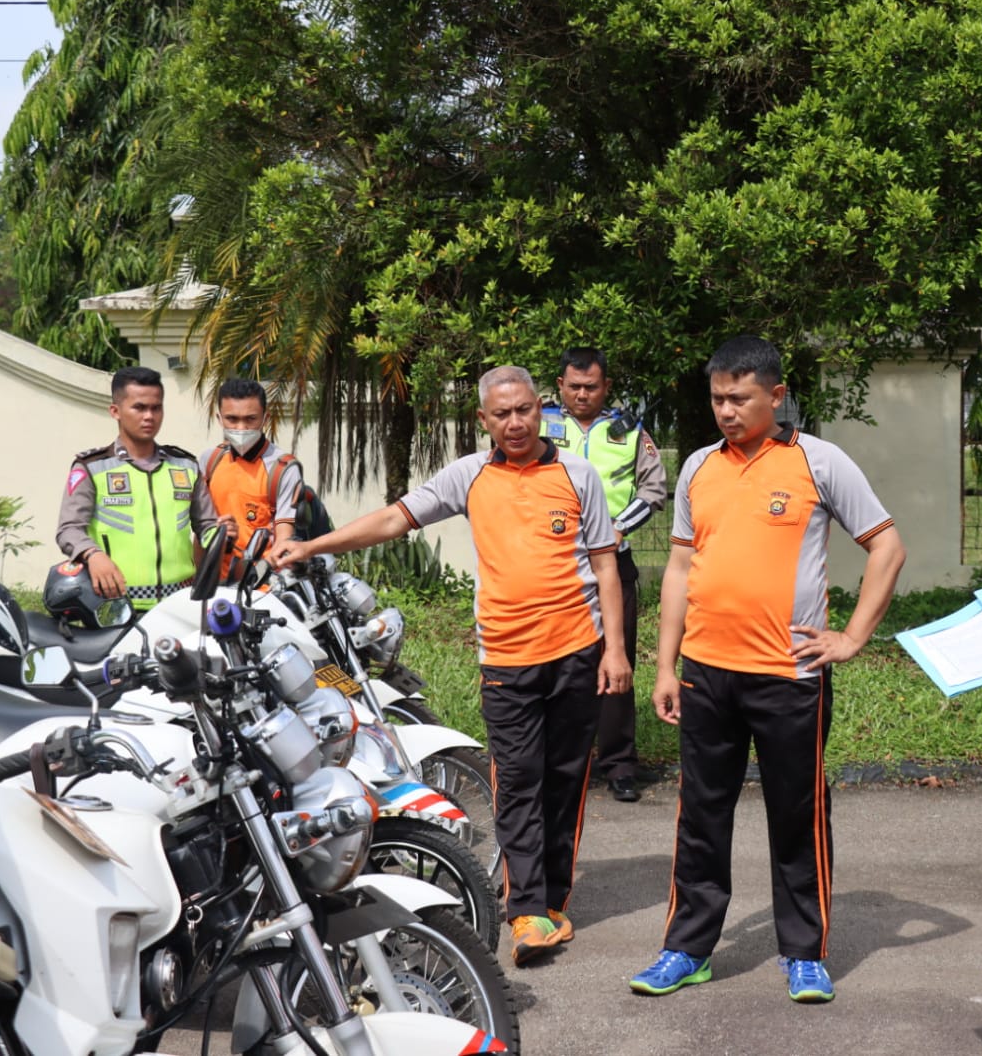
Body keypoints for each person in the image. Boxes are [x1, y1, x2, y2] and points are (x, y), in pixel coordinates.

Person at [270, 365, 632, 966]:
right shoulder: (469, 476)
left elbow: (605, 567)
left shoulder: (578, 474)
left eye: (524, 411)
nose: (514, 423)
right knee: (517, 781)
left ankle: (552, 900)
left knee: (566, 779)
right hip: (507, 659)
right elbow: (393, 518)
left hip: (577, 652)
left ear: (541, 410)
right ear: (483, 419)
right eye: (501, 414)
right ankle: (527, 912)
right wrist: (311, 546)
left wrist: (615, 650)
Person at [630, 335, 905, 1004]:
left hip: (789, 676)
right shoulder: (698, 466)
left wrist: (852, 637)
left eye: (740, 398)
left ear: (775, 396)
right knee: (700, 816)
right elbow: (679, 567)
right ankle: (686, 948)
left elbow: (886, 544)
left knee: (796, 814)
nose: (726, 411)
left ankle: (803, 953)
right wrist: (664, 666)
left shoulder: (819, 461)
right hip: (707, 672)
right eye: (717, 398)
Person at [542, 347, 667, 803]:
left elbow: (654, 489)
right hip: (554, 564)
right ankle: (563, 761)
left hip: (615, 560)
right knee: (556, 663)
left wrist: (618, 529)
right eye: (573, 386)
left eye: (591, 387)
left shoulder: (629, 431)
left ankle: (618, 764)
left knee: (617, 661)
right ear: (560, 386)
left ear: (606, 387)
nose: (581, 394)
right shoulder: (539, 425)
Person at [56, 366, 220, 612]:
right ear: (116, 411)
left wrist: (220, 533)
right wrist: (92, 554)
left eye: (156, 407)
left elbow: (206, 526)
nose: (149, 416)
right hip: (114, 607)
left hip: (180, 605)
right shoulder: (93, 468)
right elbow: (68, 529)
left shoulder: (185, 466)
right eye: (139, 407)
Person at [199, 378, 304, 576]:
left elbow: (284, 534)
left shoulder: (282, 469)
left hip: (261, 588)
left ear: (265, 418)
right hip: (214, 586)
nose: (241, 428)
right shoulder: (209, 461)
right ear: (219, 418)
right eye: (232, 419)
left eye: (250, 419)